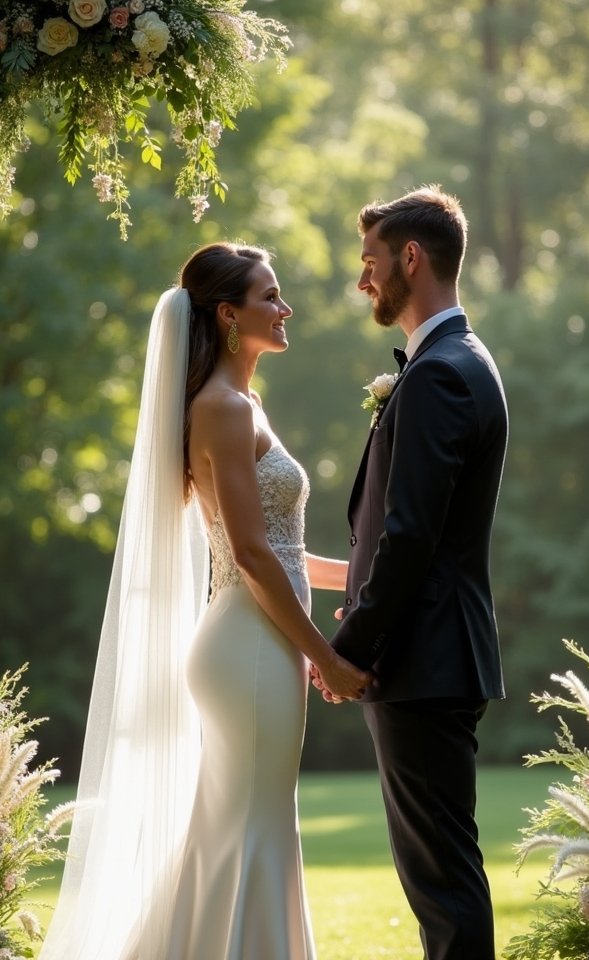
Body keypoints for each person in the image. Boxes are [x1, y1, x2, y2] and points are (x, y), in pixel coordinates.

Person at [40, 242, 370, 960]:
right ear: (228, 315)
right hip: (249, 647)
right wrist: (327, 658)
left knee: (242, 827)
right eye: (270, 297)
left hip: (260, 639)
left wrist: (370, 577)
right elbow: (250, 555)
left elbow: (278, 552)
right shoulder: (221, 409)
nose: (285, 309)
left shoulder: (245, 404)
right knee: (249, 827)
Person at [312, 185, 508, 960]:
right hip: (432, 655)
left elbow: (409, 535)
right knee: (442, 881)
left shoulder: (439, 375)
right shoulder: (457, 362)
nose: (364, 281)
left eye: (371, 262)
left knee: (443, 888)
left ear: (412, 258)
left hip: (423, 661)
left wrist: (349, 650)